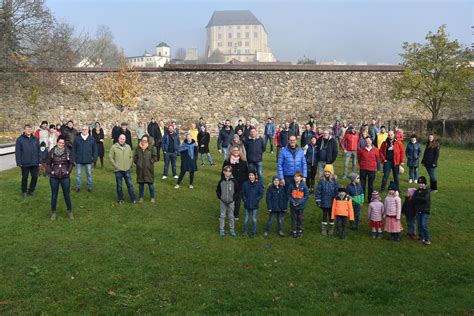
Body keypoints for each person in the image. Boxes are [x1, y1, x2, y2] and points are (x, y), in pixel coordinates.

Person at [47, 136, 74, 220]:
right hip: (54, 176)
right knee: (54, 195)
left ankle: (70, 212)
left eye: (63, 143)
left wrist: (68, 171)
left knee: (67, 194)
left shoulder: (68, 151)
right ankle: (53, 212)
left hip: (65, 176)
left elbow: (71, 163)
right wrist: (51, 171)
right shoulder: (51, 152)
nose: (61, 144)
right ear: (57, 143)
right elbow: (48, 163)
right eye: (60, 143)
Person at [222, 145, 248, 220]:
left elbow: (246, 173)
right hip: (230, 183)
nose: (236, 152)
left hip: (240, 183)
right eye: (234, 150)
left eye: (237, 150)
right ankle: (230, 212)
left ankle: (236, 214)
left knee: (238, 199)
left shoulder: (243, 161)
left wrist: (245, 182)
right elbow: (223, 172)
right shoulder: (227, 161)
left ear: (240, 152)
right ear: (231, 151)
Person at [109, 134, 136, 204]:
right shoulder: (114, 147)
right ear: (118, 139)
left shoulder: (128, 147)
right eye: (121, 138)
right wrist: (115, 165)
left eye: (123, 139)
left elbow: (131, 156)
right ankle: (121, 199)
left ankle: (133, 199)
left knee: (130, 185)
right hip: (118, 170)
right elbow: (110, 157)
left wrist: (129, 164)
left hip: (127, 169)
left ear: (125, 140)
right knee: (119, 185)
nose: (122, 140)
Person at [15, 124, 40, 197]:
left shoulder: (35, 139)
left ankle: (31, 191)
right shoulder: (20, 139)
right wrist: (19, 162)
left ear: (32, 130)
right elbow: (18, 152)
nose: (29, 130)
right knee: (25, 177)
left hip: (35, 162)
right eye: (27, 129)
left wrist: (39, 160)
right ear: (24, 130)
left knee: (35, 177)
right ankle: (24, 191)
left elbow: (38, 150)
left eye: (30, 129)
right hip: (25, 162)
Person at [73, 125, 98, 193]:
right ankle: (78, 187)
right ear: (81, 130)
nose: (84, 130)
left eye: (86, 129)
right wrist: (73, 159)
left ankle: (90, 187)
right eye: (83, 129)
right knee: (78, 174)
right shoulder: (77, 138)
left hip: (88, 160)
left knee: (89, 174)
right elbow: (74, 149)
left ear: (88, 130)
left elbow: (95, 150)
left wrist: (94, 159)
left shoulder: (92, 139)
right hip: (79, 159)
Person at [133, 135, 157, 203]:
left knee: (150, 184)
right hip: (140, 169)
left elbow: (155, 157)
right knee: (141, 184)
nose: (143, 142)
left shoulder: (151, 148)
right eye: (142, 140)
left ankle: (152, 197)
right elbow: (135, 157)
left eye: (145, 141)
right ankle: (141, 197)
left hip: (148, 169)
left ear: (148, 141)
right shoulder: (138, 148)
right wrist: (137, 163)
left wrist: (150, 162)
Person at [315, 164, 339, 236]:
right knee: (324, 215)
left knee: (331, 215)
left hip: (332, 202)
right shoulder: (321, 181)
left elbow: (336, 190)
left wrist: (337, 199)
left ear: (331, 172)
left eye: (328, 172)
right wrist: (318, 200)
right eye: (326, 172)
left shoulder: (334, 180)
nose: (327, 173)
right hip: (324, 201)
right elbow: (318, 191)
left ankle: (331, 228)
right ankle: (324, 229)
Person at [216, 165, 239, 237]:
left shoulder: (234, 181)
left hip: (231, 201)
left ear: (231, 172)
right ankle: (221, 229)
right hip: (223, 201)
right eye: (226, 171)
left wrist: (233, 198)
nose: (227, 173)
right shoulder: (221, 181)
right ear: (223, 172)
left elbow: (237, 191)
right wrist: (220, 197)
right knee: (222, 215)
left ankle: (232, 229)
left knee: (231, 216)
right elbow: (218, 190)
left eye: (229, 171)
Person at [241, 171, 264, 237]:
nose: (251, 176)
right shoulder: (245, 184)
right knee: (246, 219)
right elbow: (243, 193)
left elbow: (261, 193)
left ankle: (253, 232)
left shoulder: (259, 184)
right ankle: (245, 231)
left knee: (254, 219)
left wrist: (257, 199)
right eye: (250, 175)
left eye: (252, 175)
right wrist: (245, 200)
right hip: (247, 204)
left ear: (255, 176)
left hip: (255, 204)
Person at [357, 136, 380, 202]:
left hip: (372, 169)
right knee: (362, 185)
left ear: (371, 141)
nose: (368, 142)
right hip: (363, 169)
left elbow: (377, 159)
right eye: (366, 141)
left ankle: (370, 199)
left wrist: (377, 168)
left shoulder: (375, 150)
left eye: (369, 141)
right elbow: (359, 158)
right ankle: (362, 198)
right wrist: (361, 165)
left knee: (371, 185)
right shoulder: (361, 150)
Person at [288, 171, 309, 238]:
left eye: (298, 176)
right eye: (295, 176)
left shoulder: (304, 186)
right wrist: (292, 201)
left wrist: (300, 202)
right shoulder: (291, 186)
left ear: (301, 178)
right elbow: (288, 195)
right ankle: (294, 230)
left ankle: (300, 230)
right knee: (294, 218)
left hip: (301, 206)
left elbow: (306, 196)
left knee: (300, 218)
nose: (296, 178)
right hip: (293, 206)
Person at [413, 176, 432, 245]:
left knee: (424, 224)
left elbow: (425, 200)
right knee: (419, 225)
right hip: (418, 210)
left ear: (424, 183)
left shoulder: (427, 191)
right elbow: (414, 198)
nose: (420, 184)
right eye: (419, 183)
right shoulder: (417, 191)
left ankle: (427, 239)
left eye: (421, 183)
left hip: (425, 211)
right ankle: (421, 238)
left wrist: (418, 198)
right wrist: (419, 198)